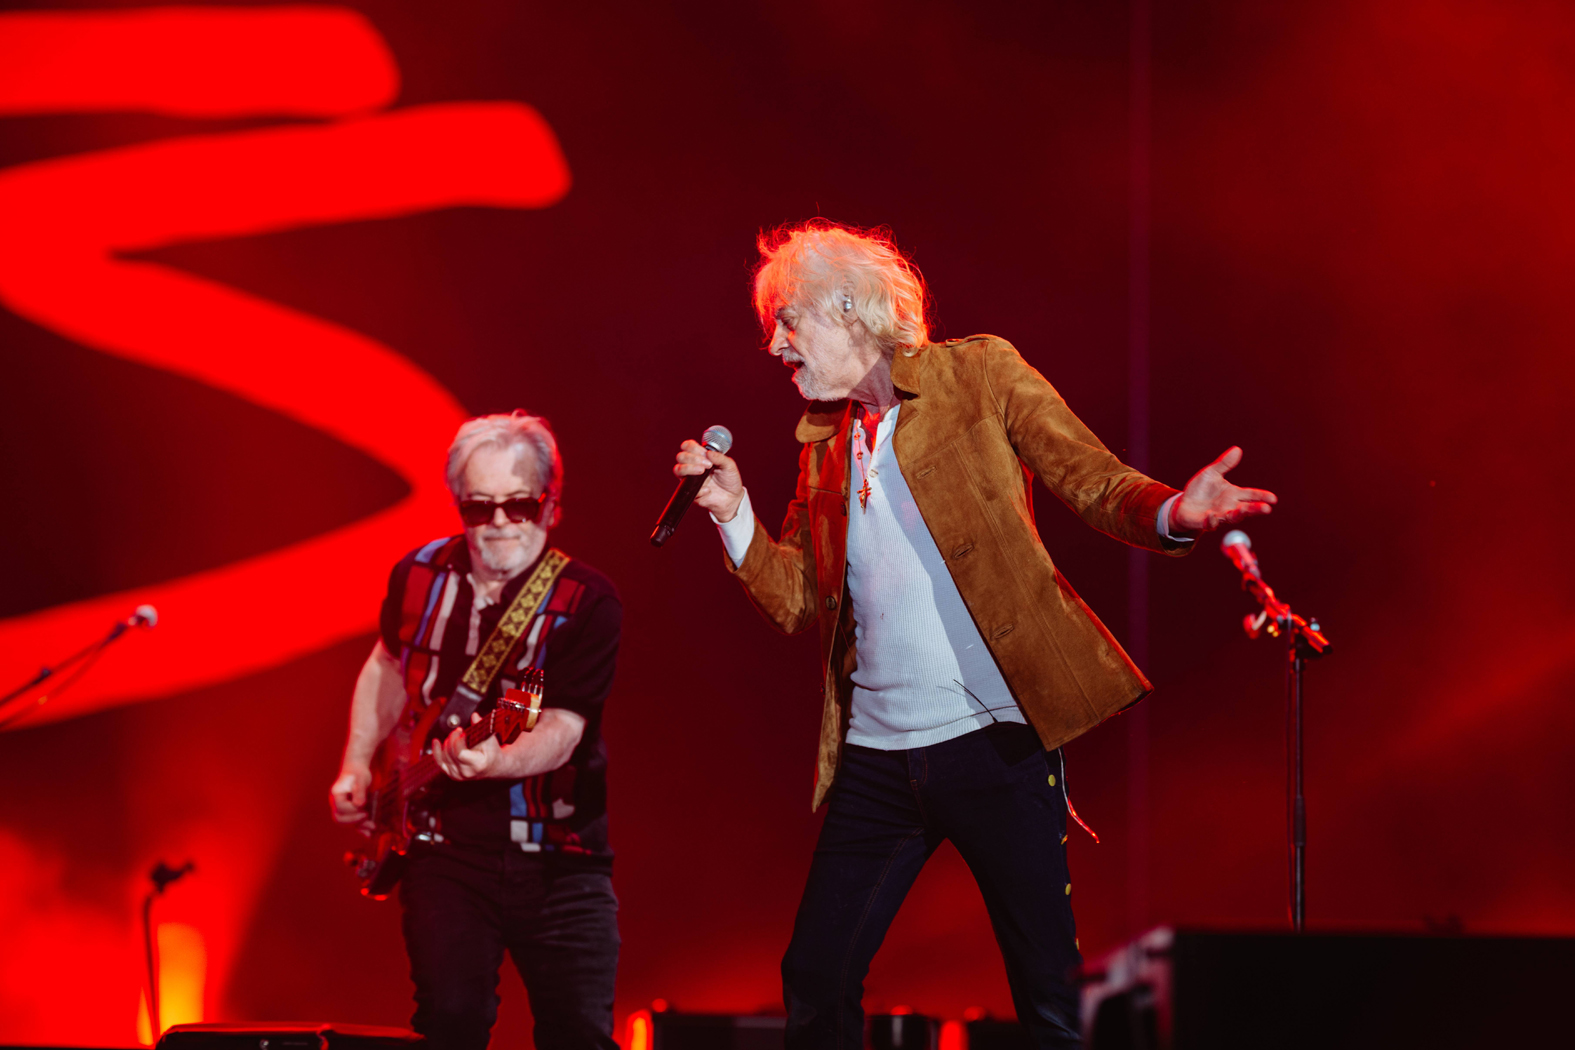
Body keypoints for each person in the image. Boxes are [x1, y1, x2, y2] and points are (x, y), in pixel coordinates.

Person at [673, 221, 1276, 1049]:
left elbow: (1091, 479)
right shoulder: (823, 448)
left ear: (847, 307)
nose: (774, 345)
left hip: (993, 744)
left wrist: (1174, 510)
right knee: (815, 975)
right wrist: (732, 512)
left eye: (787, 320)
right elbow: (795, 602)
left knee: (1048, 992)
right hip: (877, 757)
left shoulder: (977, 373)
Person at [331, 411, 622, 1050]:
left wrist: (495, 763)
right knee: (449, 1023)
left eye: (519, 505)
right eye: (478, 506)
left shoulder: (586, 601)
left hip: (561, 858)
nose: (498, 523)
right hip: (444, 852)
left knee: (579, 1034)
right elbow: (387, 663)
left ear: (550, 506)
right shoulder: (416, 574)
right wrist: (356, 763)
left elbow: (563, 727)